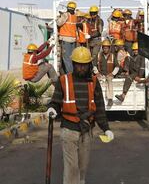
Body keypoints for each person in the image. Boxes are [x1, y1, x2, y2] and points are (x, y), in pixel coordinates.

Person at [46, 47, 114, 184]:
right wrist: (52, 109)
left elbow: (100, 107)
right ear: (73, 64)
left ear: (89, 64)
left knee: (82, 167)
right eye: (78, 64)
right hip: (69, 130)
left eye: (84, 65)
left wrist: (106, 128)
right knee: (71, 168)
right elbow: (56, 102)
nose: (81, 68)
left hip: (86, 129)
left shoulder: (94, 82)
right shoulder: (63, 80)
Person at [93, 40, 119, 106]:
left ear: (109, 48)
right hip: (101, 74)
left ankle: (110, 99)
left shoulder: (113, 56)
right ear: (102, 48)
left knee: (109, 81)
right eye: (104, 48)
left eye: (107, 48)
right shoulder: (98, 55)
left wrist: (113, 73)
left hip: (109, 74)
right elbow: (94, 65)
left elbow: (117, 67)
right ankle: (95, 98)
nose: (105, 49)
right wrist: (97, 73)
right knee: (95, 82)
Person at [57, 1, 78, 73]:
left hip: (66, 39)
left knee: (66, 58)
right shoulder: (74, 16)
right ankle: (72, 72)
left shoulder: (66, 15)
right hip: (73, 39)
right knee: (72, 57)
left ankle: (70, 74)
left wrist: (59, 17)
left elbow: (59, 23)